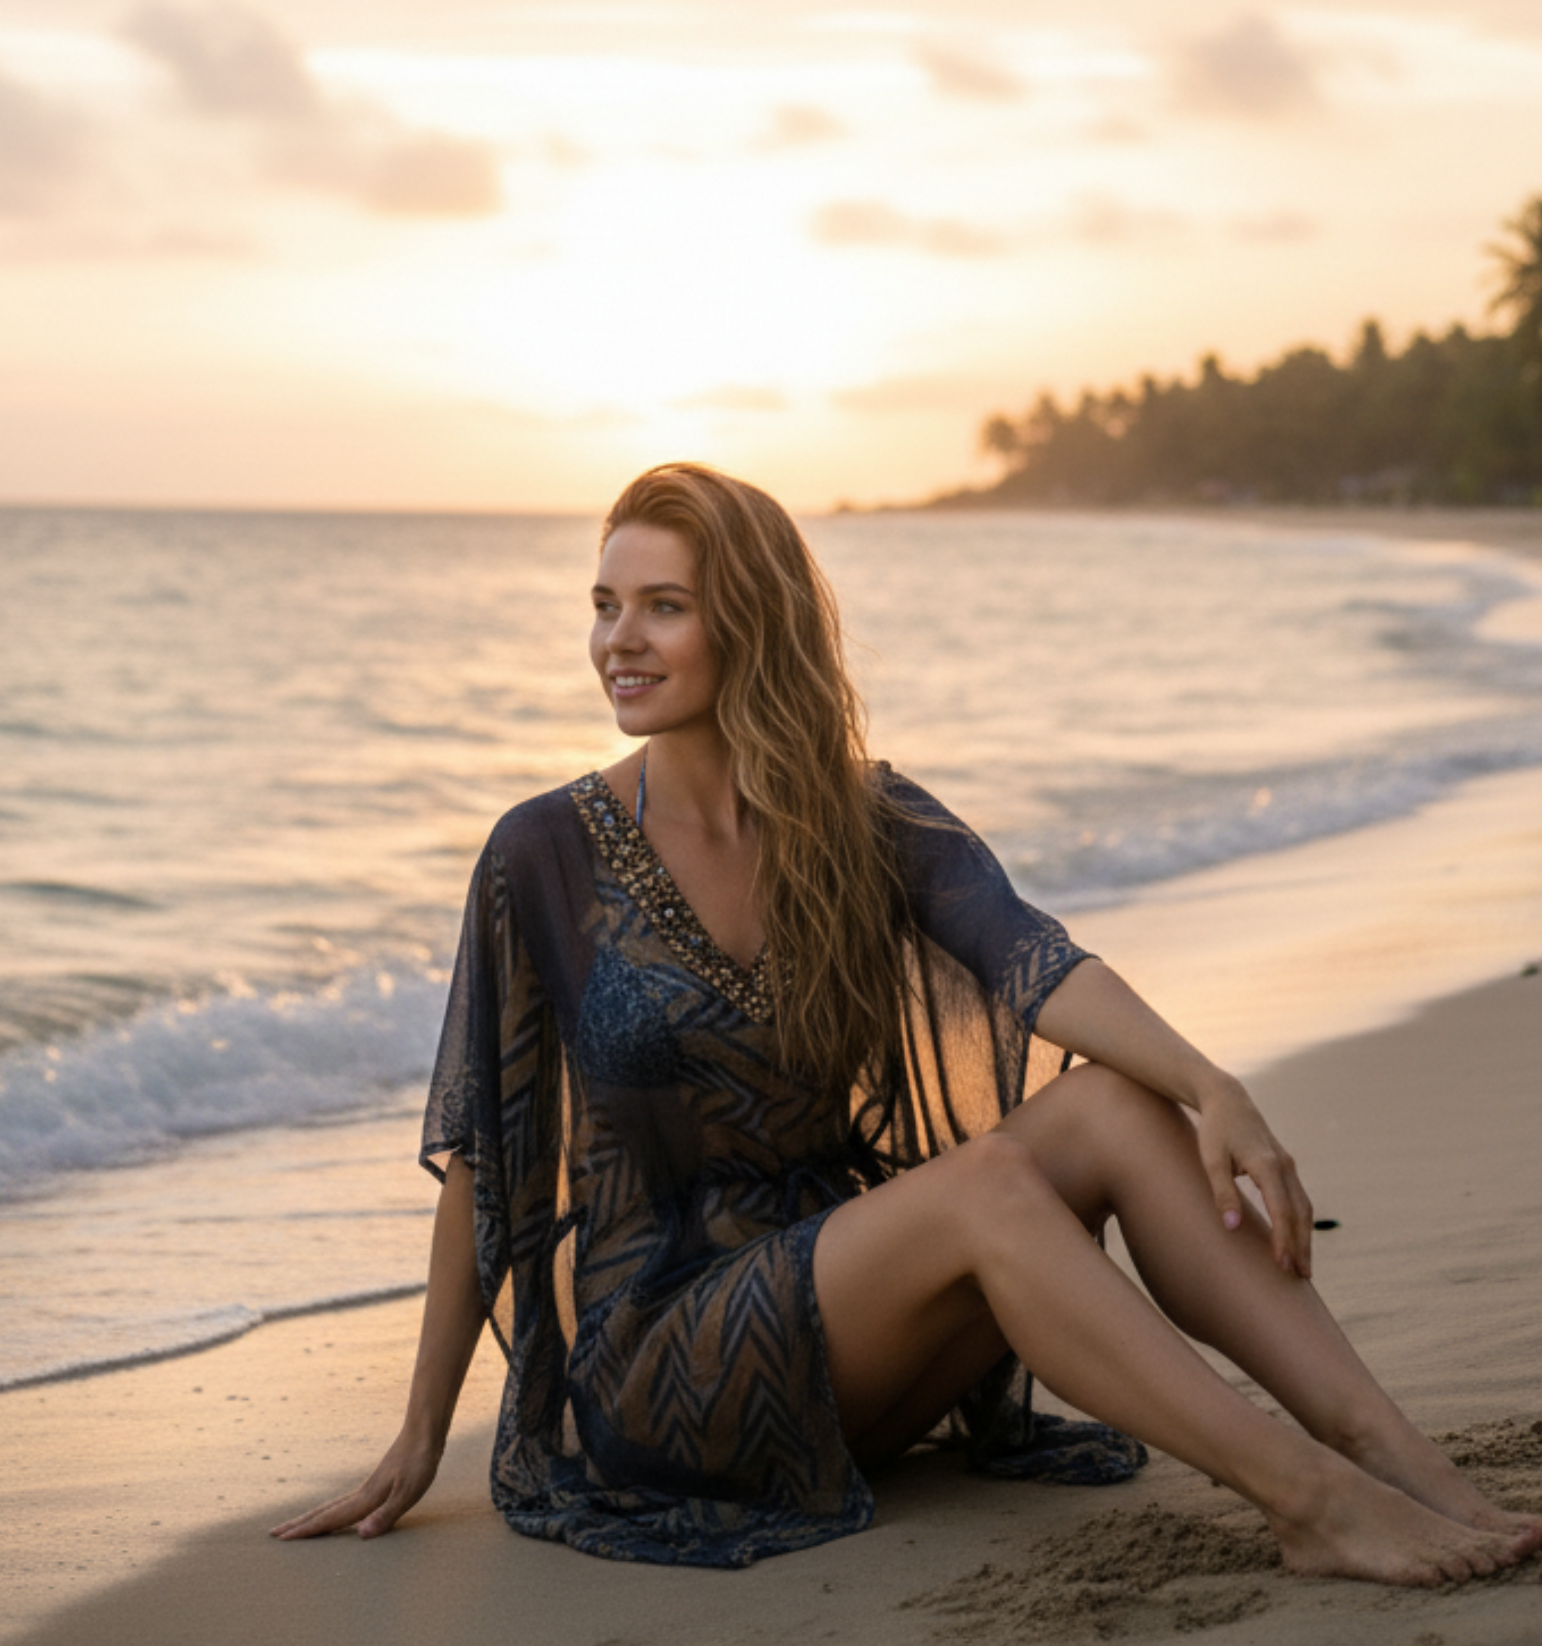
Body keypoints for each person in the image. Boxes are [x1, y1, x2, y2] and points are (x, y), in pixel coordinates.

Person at [273, 463, 1542, 1585]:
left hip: (848, 1325)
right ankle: (1310, 1498)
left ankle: (1386, 1448)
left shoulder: (859, 818)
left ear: (751, 623)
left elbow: (1032, 957)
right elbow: (486, 1164)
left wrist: (1217, 1087)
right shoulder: (542, 853)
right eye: (605, 604)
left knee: (1113, 1099)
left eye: (663, 605)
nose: (620, 639)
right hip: (666, 1368)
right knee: (986, 1184)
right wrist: (419, 1433)